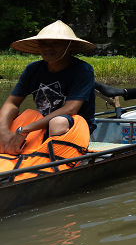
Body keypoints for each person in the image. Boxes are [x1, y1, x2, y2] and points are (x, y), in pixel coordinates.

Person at [0, 21, 96, 155]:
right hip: (41, 125)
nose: (47, 48)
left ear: (70, 46)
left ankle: (52, 162)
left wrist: (24, 130)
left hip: (74, 126)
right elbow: (12, 103)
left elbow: (70, 109)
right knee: (3, 121)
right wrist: (3, 131)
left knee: (58, 122)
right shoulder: (33, 69)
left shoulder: (83, 70)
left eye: (55, 43)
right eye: (43, 43)